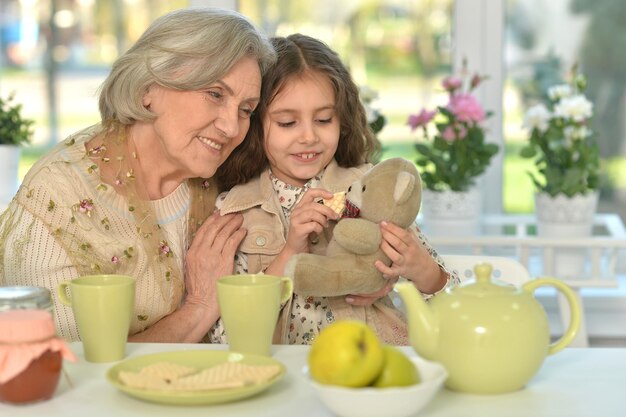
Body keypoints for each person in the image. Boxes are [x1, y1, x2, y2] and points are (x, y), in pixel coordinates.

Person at [0, 8, 276, 343]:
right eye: (215, 94)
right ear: (148, 87)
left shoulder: (222, 176)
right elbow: (76, 371)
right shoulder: (54, 202)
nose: (232, 127)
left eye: (245, 109)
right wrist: (200, 307)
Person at [210, 34, 459, 346]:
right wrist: (290, 251)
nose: (308, 136)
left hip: (373, 363)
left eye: (324, 119)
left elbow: (453, 305)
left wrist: (422, 271)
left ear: (342, 121)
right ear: (256, 124)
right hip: (286, 378)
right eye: (288, 122)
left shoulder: (371, 189)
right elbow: (226, 334)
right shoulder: (236, 209)